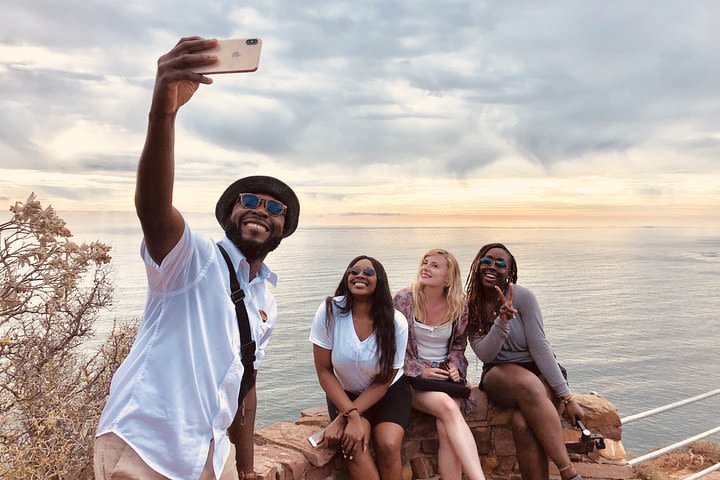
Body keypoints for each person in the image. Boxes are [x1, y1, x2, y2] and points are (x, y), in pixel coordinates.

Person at [94, 37, 300, 480]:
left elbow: (246, 387)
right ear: (229, 213)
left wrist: (245, 470)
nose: (261, 209)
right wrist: (163, 112)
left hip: (212, 453)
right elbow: (152, 206)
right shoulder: (193, 259)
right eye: (249, 199)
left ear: (284, 228)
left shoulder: (267, 296)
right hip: (146, 448)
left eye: (275, 207)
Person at [466, 243, 585, 480]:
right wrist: (501, 321)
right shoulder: (470, 306)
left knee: (523, 424)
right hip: (499, 372)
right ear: (478, 264)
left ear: (509, 272)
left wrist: (566, 396)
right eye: (487, 260)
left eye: (501, 264)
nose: (492, 267)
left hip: (538, 369)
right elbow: (485, 354)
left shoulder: (523, 297)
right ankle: (569, 473)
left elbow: (540, 347)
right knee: (529, 385)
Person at [310, 256, 410, 480]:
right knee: (354, 444)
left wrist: (344, 417)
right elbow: (324, 370)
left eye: (368, 272)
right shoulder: (330, 311)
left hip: (388, 392)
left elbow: (384, 379)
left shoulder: (396, 322)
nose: (360, 275)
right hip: (346, 393)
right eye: (354, 271)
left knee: (388, 442)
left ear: (380, 281)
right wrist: (352, 417)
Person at [393, 249, 486, 480]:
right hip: (412, 379)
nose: (426, 267)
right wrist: (420, 369)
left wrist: (454, 366)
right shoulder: (403, 300)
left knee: (446, 429)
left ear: (448, 277)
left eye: (434, 265)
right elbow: (390, 347)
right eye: (425, 263)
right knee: (448, 407)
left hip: (444, 378)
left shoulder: (459, 306)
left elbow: (458, 346)